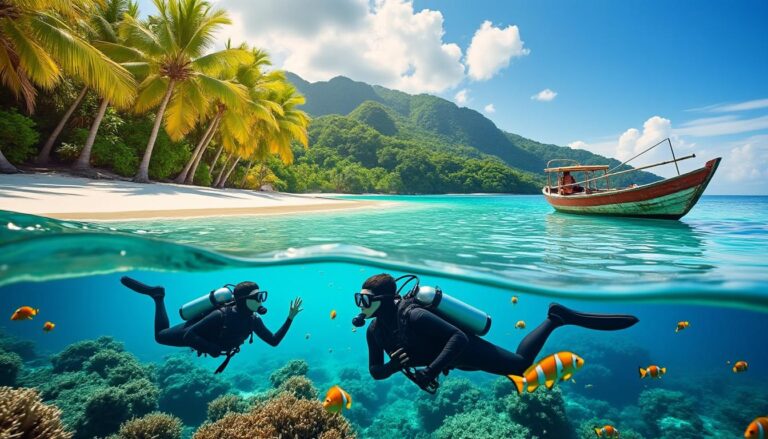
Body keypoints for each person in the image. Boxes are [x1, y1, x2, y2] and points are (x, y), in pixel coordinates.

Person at [353, 274, 638, 391]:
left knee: (520, 367)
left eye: (364, 300)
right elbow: (376, 371)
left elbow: (458, 338)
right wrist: (393, 366)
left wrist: (431, 371)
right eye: (359, 300)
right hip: (451, 360)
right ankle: (555, 318)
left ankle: (555, 318)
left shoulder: (414, 315)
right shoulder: (375, 331)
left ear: (384, 300)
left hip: (463, 350)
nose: (360, 306)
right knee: (484, 367)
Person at [121, 276, 303, 373]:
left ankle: (158, 296)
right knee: (160, 336)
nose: (261, 300)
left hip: (208, 337)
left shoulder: (253, 320)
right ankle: (158, 296)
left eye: (261, 296)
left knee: (162, 336)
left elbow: (273, 341)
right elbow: (189, 335)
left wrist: (290, 318)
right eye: (257, 297)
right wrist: (211, 349)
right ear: (243, 300)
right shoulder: (220, 315)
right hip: (196, 330)